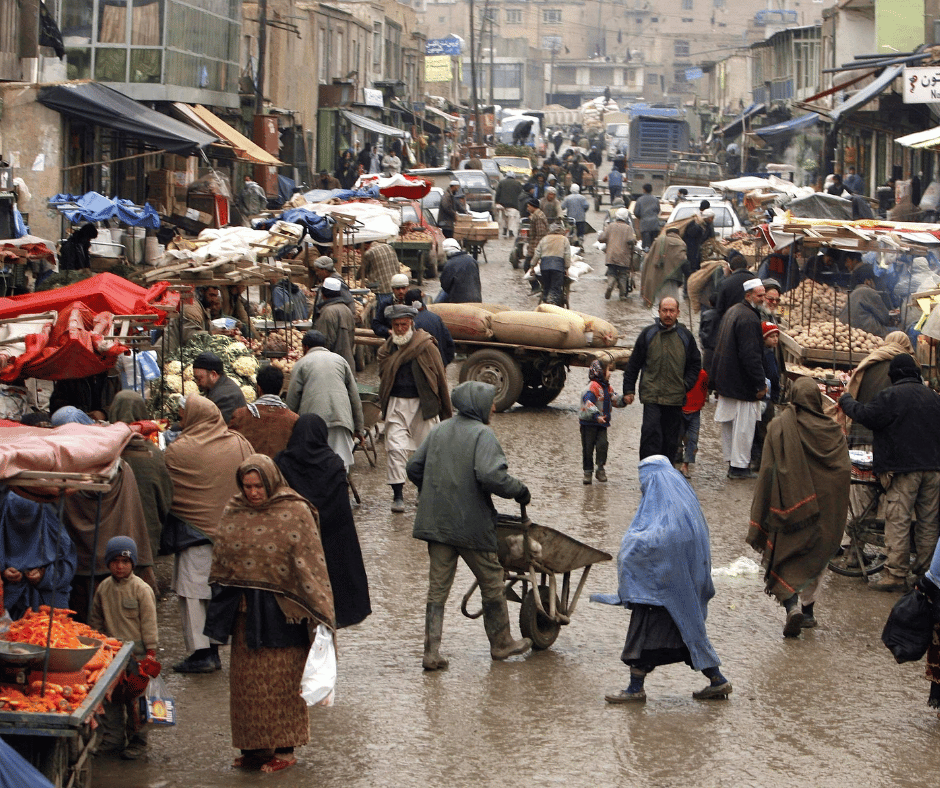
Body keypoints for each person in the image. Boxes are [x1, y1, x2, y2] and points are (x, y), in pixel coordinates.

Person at [205, 455, 334, 774]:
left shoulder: (295, 511)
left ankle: (286, 749)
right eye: (247, 486)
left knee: (282, 685)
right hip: (245, 611)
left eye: (258, 485)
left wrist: (318, 610)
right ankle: (254, 748)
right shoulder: (234, 510)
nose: (252, 492)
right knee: (246, 687)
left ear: (271, 481)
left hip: (284, 613)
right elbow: (222, 555)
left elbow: (310, 562)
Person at [407, 381, 531, 669]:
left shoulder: (439, 430)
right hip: (470, 525)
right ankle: (501, 644)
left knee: (437, 589)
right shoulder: (482, 435)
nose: (494, 407)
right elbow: (492, 476)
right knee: (492, 581)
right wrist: (520, 490)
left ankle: (431, 653)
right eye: (490, 402)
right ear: (477, 405)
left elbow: (414, 467)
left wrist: (433, 492)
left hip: (436, 524)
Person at [593, 455, 731, 703]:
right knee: (688, 634)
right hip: (683, 590)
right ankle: (717, 680)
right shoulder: (684, 502)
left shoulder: (665, 514)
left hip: (660, 593)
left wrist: (630, 549)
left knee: (642, 640)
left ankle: (635, 689)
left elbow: (653, 543)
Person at [748, 378, 851, 636]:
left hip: (787, 508)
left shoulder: (779, 427)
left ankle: (791, 606)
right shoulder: (832, 431)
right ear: (817, 399)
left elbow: (768, 470)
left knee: (785, 558)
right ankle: (808, 613)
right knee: (815, 561)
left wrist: (767, 504)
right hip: (823, 514)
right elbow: (842, 472)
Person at [164, 394, 252, 673]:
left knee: (192, 593)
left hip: (194, 534)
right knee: (221, 592)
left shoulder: (178, 450)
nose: (180, 421)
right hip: (233, 534)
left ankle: (203, 653)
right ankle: (217, 645)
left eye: (183, 416)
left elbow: (169, 492)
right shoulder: (239, 442)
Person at [839, 354, 940, 590]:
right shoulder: (934, 398)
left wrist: (846, 400)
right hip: (934, 470)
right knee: (928, 523)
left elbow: (865, 415)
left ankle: (895, 575)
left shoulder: (891, 395)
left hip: (903, 470)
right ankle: (925, 576)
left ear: (894, 375)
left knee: (898, 521)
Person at [275, 415, 371, 629]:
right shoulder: (333, 464)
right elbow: (341, 511)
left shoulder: (281, 462)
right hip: (330, 541)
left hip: (293, 541)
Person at [378, 304, 452, 512]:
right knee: (395, 449)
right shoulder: (386, 349)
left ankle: (422, 491)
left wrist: (446, 410)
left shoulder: (426, 345)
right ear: (391, 327)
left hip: (423, 404)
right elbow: (383, 376)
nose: (400, 328)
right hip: (397, 404)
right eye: (396, 325)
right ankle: (398, 496)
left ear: (411, 324)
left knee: (425, 451)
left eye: (404, 324)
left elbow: (440, 379)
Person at [90, 536, 157, 760]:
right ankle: (112, 740)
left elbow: (149, 623)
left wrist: (151, 652)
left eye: (125, 561)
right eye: (115, 561)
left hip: (137, 657)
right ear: (108, 563)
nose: (120, 566)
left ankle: (138, 742)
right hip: (110, 656)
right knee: (111, 699)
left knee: (137, 703)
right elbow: (96, 621)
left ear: (133, 564)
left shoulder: (142, 589)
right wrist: (96, 646)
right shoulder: (103, 589)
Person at [622, 297, 702, 462]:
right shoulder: (648, 334)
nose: (668, 314)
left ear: (678, 313)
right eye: (664, 310)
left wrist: (685, 385)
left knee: (670, 440)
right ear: (659, 312)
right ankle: (648, 472)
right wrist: (628, 390)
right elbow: (633, 364)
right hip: (652, 396)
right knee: (650, 435)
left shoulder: (685, 336)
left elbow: (695, 365)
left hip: (675, 398)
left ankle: (666, 474)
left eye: (672, 311)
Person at [109, 391, 174, 571]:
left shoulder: (102, 451)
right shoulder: (153, 455)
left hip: (106, 543)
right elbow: (165, 500)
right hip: (145, 542)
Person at [711, 278, 768, 479]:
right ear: (748, 296)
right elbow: (750, 355)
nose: (763, 299)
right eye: (759, 295)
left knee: (731, 426)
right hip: (741, 384)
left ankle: (733, 463)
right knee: (743, 428)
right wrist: (759, 383)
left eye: (763, 295)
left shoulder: (734, 311)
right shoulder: (749, 319)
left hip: (728, 380)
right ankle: (739, 467)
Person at [285, 330, 363, 472]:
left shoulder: (301, 363)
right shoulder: (340, 360)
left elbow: (292, 399)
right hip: (341, 418)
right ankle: (339, 492)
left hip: (313, 423)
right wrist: (359, 428)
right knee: (340, 463)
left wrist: (289, 428)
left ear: (305, 347)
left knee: (315, 464)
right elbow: (354, 396)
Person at [0, 487, 76, 620]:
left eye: (29, 518)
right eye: (18, 519)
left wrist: (44, 575)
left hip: (46, 602)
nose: (23, 525)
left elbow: (67, 568)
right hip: (9, 603)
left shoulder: (55, 532)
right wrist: (3, 574)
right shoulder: (2, 526)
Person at [228, 364, 298, 458]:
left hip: (247, 470)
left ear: (258, 388)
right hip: (279, 472)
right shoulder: (294, 420)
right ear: (281, 389)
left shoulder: (240, 415)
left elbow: (230, 447)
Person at [579, 360, 626, 485]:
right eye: (608, 370)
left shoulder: (606, 387)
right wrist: (596, 416)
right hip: (588, 424)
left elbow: (614, 399)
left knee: (602, 445)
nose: (610, 373)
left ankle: (600, 468)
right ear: (600, 372)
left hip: (602, 423)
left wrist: (624, 400)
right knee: (588, 449)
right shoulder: (592, 387)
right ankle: (587, 472)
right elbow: (588, 403)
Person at [404, 289, 455, 367]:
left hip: (420, 368)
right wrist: (444, 363)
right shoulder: (436, 318)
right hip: (438, 365)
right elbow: (449, 343)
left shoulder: (409, 323)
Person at [191, 352, 247, 424]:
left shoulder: (225, 396)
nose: (197, 383)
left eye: (199, 378)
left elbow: (212, 427)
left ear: (213, 375)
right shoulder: (221, 386)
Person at [839, 263, 892, 338]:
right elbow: (885, 317)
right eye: (873, 281)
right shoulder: (869, 292)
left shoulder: (854, 292)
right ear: (867, 281)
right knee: (896, 331)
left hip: (849, 329)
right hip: (865, 331)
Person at [315, 277, 356, 371]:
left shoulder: (327, 312)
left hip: (332, 366)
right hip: (346, 362)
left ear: (323, 294)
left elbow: (325, 343)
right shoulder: (346, 309)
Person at [640, 226, 687, 308]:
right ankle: (670, 318)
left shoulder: (658, 241)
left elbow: (648, 259)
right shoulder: (681, 243)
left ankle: (657, 319)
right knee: (673, 301)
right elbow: (683, 261)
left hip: (657, 277)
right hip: (673, 278)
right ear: (677, 233)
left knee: (657, 302)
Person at [530, 221, 571, 307]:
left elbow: (537, 253)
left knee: (546, 287)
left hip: (544, 266)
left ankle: (545, 303)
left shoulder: (544, 239)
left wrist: (532, 266)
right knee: (555, 288)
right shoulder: (564, 239)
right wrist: (567, 268)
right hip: (558, 267)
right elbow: (567, 255)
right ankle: (552, 304)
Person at [598, 207, 636, 300]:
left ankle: (610, 285)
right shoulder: (628, 228)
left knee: (611, 272)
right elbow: (631, 240)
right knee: (623, 274)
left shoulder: (610, 226)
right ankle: (622, 295)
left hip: (611, 256)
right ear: (626, 217)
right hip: (624, 256)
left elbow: (601, 238)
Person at [678, 368, 708, 479]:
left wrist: (702, 402)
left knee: (693, 439)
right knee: (678, 436)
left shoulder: (702, 374)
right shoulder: (679, 370)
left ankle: (685, 465)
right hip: (681, 408)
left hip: (694, 410)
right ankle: (678, 456)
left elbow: (704, 389)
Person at [439, 238, 482, 303]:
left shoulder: (449, 264)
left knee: (439, 298)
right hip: (476, 298)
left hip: (458, 300)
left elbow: (445, 285)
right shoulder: (472, 260)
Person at [372, 273, 411, 338]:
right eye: (398, 289)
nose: (401, 291)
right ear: (393, 289)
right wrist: (388, 331)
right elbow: (376, 324)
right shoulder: (386, 304)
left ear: (407, 288)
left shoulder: (412, 302)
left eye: (403, 288)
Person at [682, 207, 715, 276]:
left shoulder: (706, 225)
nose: (712, 220)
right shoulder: (695, 225)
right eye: (712, 218)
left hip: (696, 252)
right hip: (691, 251)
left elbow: (710, 236)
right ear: (708, 218)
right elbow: (692, 237)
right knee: (691, 271)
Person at [494, 173, 523, 238]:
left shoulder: (501, 182)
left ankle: (504, 229)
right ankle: (510, 230)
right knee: (512, 218)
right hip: (514, 205)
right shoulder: (518, 183)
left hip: (503, 204)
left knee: (504, 218)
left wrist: (497, 202)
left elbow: (498, 193)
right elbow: (521, 194)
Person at [633, 184, 661, 251]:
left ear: (644, 190)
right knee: (653, 245)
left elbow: (636, 212)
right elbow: (658, 210)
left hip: (645, 225)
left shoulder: (639, 200)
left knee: (646, 245)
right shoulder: (656, 199)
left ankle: (646, 258)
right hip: (654, 224)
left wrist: (641, 217)